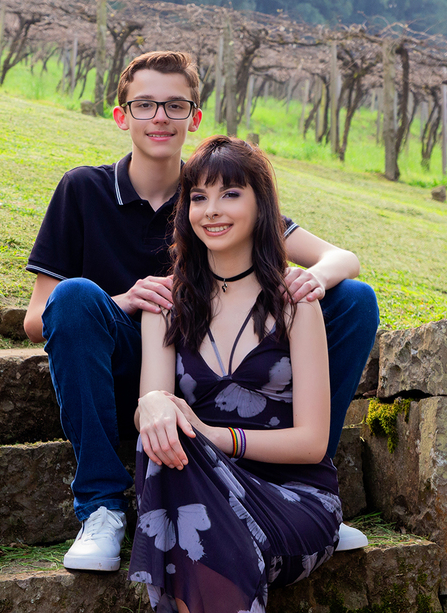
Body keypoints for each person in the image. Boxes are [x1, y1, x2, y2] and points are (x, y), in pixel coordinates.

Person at [23, 50, 379, 571]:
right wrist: (122, 301)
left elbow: (341, 257)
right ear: (122, 116)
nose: (160, 118)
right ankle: (101, 507)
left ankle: (303, 485)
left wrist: (312, 279)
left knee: (354, 299)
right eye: (144, 105)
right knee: (75, 295)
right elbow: (37, 319)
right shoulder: (83, 189)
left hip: (203, 378)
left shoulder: (210, 191)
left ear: (195, 118)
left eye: (175, 105)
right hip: (119, 366)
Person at [131, 135, 339, 613]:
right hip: (200, 484)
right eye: (198, 197)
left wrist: (213, 436)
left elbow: (312, 442)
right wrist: (153, 404)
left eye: (230, 194)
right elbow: (152, 410)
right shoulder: (166, 303)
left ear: (261, 205)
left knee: (196, 508)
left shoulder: (294, 304)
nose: (212, 211)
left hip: (291, 497)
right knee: (164, 435)